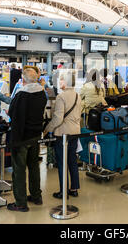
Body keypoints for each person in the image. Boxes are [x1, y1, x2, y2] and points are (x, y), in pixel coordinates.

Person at [7, 68, 47, 212]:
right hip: (35, 135)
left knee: (19, 169)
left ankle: (21, 203)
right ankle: (36, 196)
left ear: (23, 80)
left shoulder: (21, 95)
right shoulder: (42, 93)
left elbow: (14, 115)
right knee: (34, 166)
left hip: (21, 138)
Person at [43, 70, 82, 199]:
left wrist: (47, 129)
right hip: (75, 132)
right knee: (72, 161)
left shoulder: (61, 97)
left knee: (62, 163)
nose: (59, 82)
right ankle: (74, 189)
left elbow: (58, 119)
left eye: (61, 80)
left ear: (66, 82)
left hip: (63, 133)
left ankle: (63, 192)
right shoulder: (78, 95)